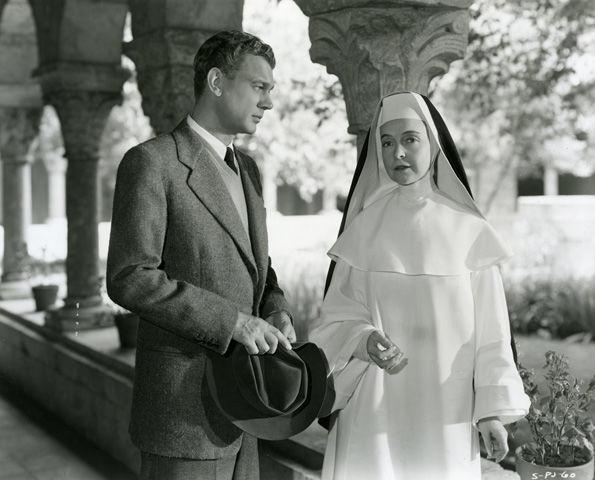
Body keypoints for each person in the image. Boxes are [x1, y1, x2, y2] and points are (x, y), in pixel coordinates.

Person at [308, 91, 530, 480]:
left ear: (433, 143)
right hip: (371, 410)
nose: (398, 154)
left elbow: (492, 335)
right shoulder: (363, 229)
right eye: (387, 143)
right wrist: (363, 340)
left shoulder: (470, 232)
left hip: (446, 410)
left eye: (410, 140)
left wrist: (491, 412)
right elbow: (336, 319)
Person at [106, 30, 296, 480]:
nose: (268, 102)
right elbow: (130, 276)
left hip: (247, 412)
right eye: (259, 87)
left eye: (271, 90)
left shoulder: (249, 169)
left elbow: (258, 267)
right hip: (183, 415)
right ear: (216, 81)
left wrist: (276, 309)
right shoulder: (152, 163)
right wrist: (231, 321)